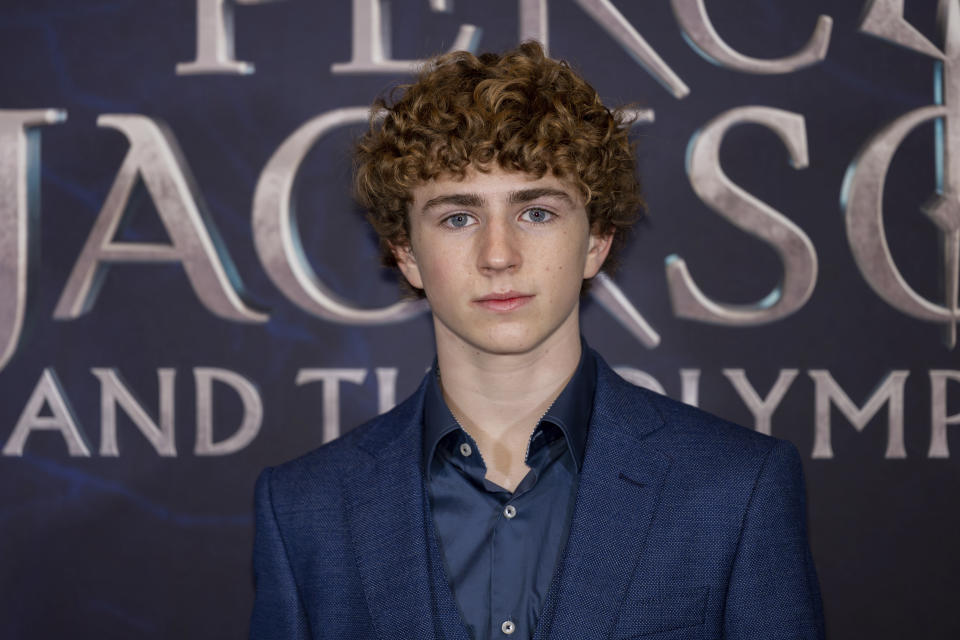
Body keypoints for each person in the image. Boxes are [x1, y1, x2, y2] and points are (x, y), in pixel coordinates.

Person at [249, 41, 824, 640]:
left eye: (537, 213)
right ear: (405, 253)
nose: (499, 255)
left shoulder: (737, 487)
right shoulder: (304, 510)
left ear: (597, 240)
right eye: (458, 217)